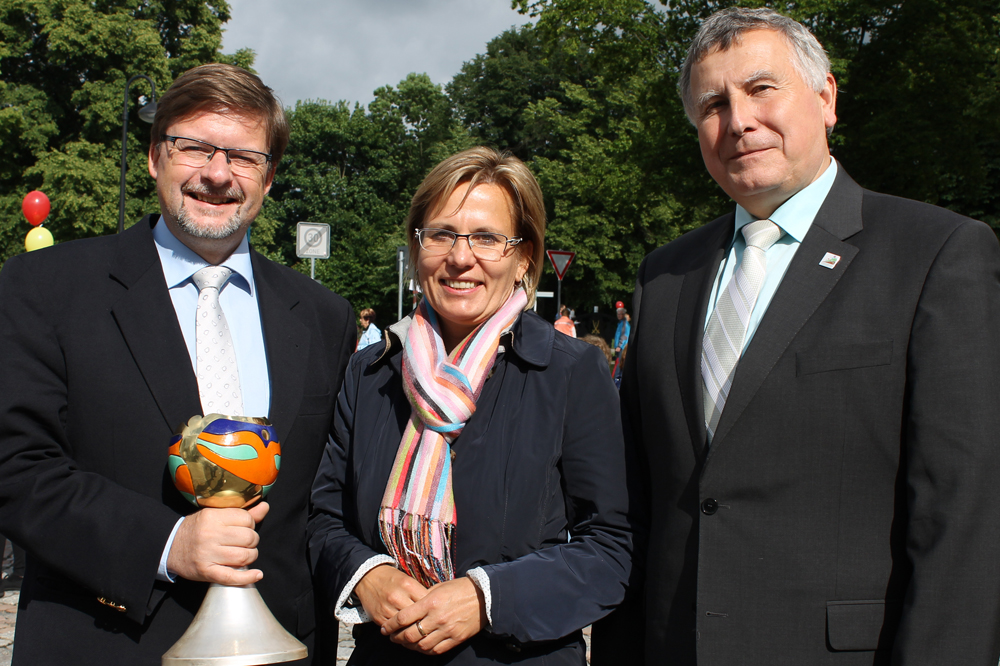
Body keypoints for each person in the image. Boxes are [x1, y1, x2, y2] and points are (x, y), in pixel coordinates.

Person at [592, 7, 1000, 665]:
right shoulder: (664, 277)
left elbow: (962, 520)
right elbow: (640, 505)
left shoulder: (936, 255)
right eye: (713, 104)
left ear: (826, 97)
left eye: (761, 89)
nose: (740, 120)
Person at [0, 63, 356, 665]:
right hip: (107, 643)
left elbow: (329, 494)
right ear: (153, 157)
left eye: (243, 157)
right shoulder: (46, 287)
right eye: (194, 148)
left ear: (268, 178)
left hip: (281, 648)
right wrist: (167, 543)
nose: (218, 174)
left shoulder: (324, 316)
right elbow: (16, 467)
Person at [308, 147, 631, 665]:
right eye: (440, 235)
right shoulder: (370, 374)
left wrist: (487, 597)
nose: (460, 257)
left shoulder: (570, 374)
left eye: (486, 238)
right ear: (417, 250)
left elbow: (609, 547)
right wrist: (368, 575)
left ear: (524, 256)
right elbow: (324, 517)